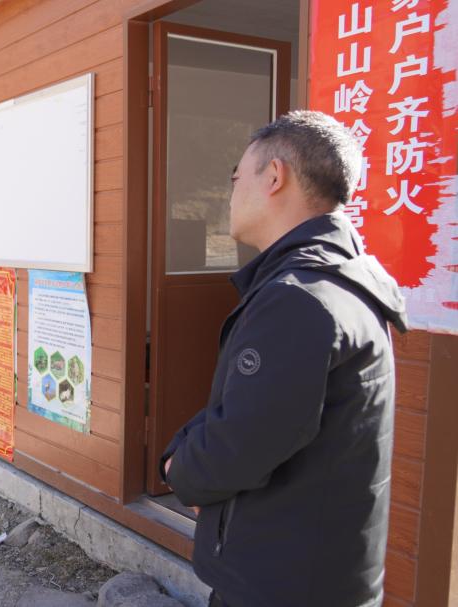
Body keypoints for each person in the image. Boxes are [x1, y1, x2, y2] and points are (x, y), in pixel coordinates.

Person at [160, 111, 408, 607]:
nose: (230, 195)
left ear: (275, 176)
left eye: (236, 178)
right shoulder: (342, 279)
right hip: (316, 573)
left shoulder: (299, 297)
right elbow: (254, 413)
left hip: (282, 584)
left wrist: (178, 470)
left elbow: (242, 440)